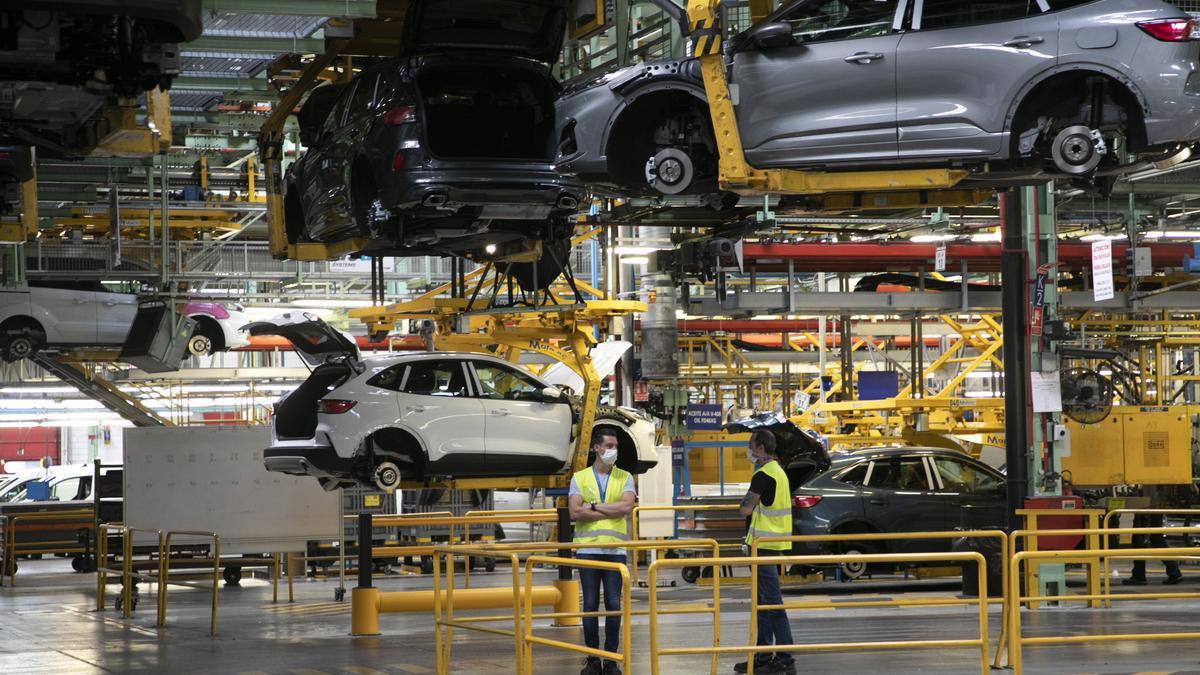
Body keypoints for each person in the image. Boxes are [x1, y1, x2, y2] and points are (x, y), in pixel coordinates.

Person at [569, 428, 636, 675]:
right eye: (609, 445)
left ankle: (610, 660)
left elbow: (626, 507)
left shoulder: (625, 477)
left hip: (615, 551)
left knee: (613, 605)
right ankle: (593, 659)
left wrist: (594, 506)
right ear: (596, 448)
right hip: (588, 550)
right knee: (589, 606)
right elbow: (575, 512)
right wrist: (611, 507)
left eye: (615, 446)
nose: (613, 450)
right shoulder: (580, 477)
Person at [735, 429, 796, 675]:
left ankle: (785, 657)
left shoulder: (763, 475)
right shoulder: (779, 472)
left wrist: (743, 502)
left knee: (772, 603)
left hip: (763, 547)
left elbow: (745, 509)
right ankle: (763, 655)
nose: (749, 450)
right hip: (771, 544)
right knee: (762, 603)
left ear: (760, 448)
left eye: (751, 445)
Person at [1123, 485, 1183, 586]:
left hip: (1147, 505)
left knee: (1139, 540)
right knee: (1156, 538)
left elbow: (1145, 488)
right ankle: (1173, 571)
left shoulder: (1145, 475)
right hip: (1154, 504)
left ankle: (1139, 576)